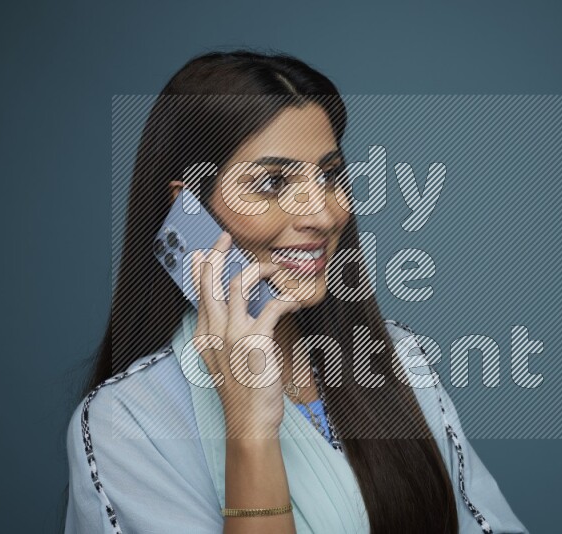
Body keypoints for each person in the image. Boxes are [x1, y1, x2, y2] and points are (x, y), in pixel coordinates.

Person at [64, 49, 529, 534]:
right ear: (189, 208)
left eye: (329, 175)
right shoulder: (127, 424)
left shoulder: (399, 356)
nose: (325, 215)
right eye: (271, 183)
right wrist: (250, 432)